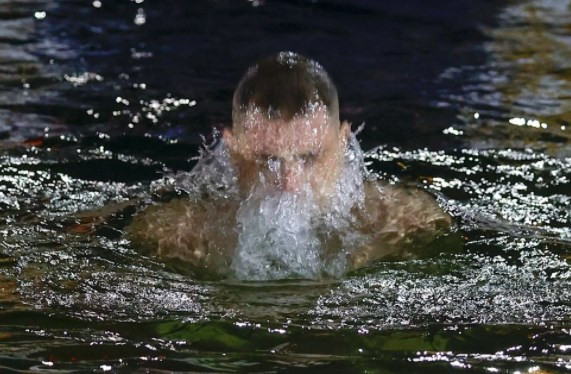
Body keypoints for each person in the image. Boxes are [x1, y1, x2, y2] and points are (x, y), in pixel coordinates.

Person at [126, 52, 452, 279]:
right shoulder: (176, 234)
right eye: (267, 160)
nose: (289, 184)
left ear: (344, 144)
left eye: (309, 158)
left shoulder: (407, 222)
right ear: (232, 151)